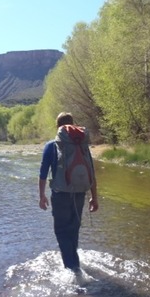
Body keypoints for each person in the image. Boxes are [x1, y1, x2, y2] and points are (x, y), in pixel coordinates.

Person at [38, 112, 99, 275]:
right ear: (72, 124)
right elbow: (91, 172)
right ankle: (74, 262)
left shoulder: (51, 145)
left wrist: (42, 196)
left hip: (60, 194)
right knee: (73, 227)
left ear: (58, 127)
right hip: (80, 193)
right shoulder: (82, 146)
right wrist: (94, 197)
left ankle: (71, 268)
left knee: (61, 230)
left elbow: (43, 173)